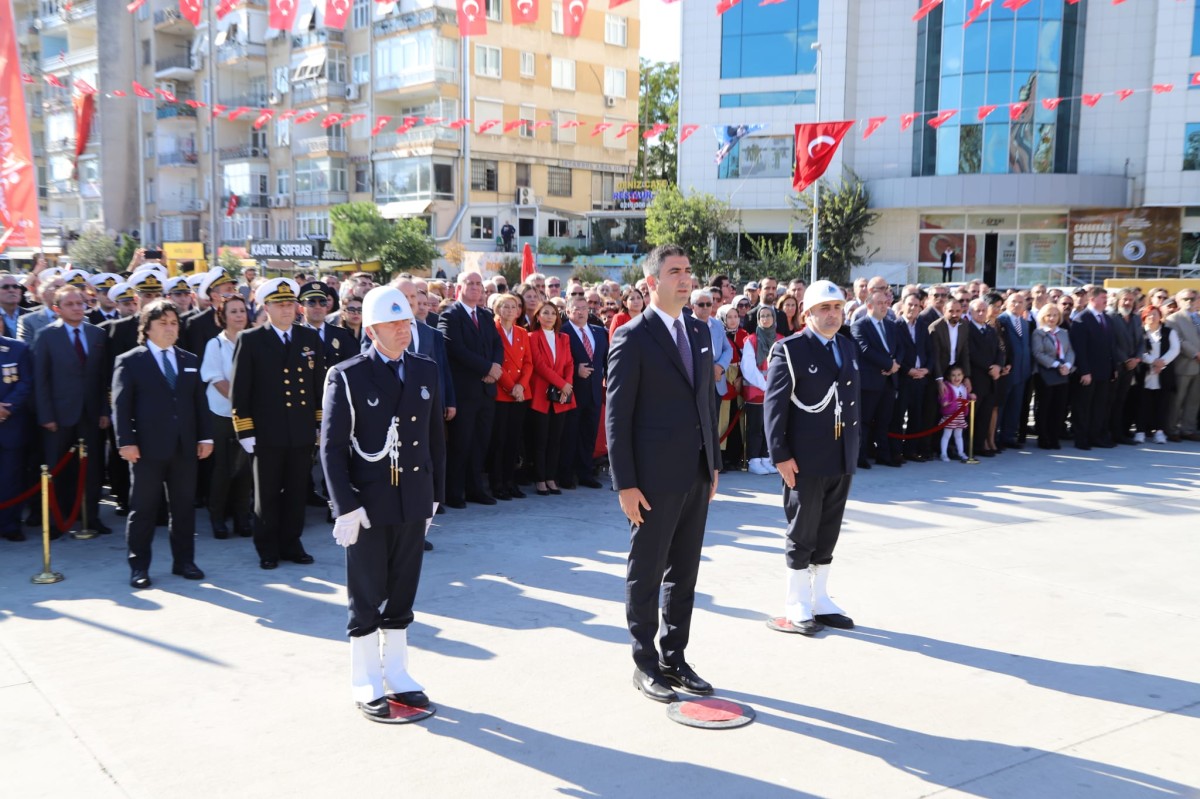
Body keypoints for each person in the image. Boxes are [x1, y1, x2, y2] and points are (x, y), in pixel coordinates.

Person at [319, 286, 443, 720]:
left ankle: (398, 672)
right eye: (392, 324)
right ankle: (366, 677)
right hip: (368, 504)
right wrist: (345, 506)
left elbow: (435, 438)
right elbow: (332, 448)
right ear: (371, 330)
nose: (403, 329)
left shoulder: (425, 369)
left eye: (406, 321)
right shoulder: (348, 375)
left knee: (403, 588)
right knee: (367, 592)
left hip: (413, 497)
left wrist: (434, 495)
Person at [606, 244, 720, 704]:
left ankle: (675, 657)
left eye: (688, 270)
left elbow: (706, 401)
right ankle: (645, 663)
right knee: (647, 572)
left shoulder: (699, 329)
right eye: (675, 272)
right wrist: (625, 483)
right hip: (651, 480)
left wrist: (713, 463)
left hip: (695, 471)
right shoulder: (632, 336)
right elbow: (617, 417)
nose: (685, 278)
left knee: (684, 572)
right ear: (652, 281)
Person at [763, 279, 860, 636]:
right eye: (824, 308)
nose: (833, 314)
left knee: (829, 529)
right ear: (807, 314)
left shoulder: (846, 346)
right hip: (804, 458)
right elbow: (774, 406)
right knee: (802, 530)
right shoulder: (790, 350)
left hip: (840, 453)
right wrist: (780, 454)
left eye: (837, 308)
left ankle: (820, 598)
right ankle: (797, 602)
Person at [112, 301, 213, 589]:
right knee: (143, 510)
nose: (170, 328)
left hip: (184, 447)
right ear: (147, 328)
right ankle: (139, 566)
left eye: (174, 323)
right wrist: (126, 442)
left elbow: (199, 402)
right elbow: (121, 406)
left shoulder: (189, 359)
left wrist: (205, 437)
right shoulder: (130, 360)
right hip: (146, 449)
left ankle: (184, 562)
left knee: (183, 508)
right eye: (162, 323)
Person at [231, 278, 324, 570]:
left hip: (300, 430)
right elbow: (240, 389)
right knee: (267, 493)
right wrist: (245, 430)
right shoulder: (251, 339)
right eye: (279, 304)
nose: (286, 309)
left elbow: (318, 385)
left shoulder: (308, 338)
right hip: (266, 432)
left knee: (296, 492)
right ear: (266, 308)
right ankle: (267, 547)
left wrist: (319, 423)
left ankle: (292, 543)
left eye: (289, 304)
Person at [33, 286, 112, 537]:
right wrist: (46, 415)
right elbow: (41, 379)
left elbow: (103, 378)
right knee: (57, 469)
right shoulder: (47, 336)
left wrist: (104, 410)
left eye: (80, 303)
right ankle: (57, 520)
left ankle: (91, 517)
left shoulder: (97, 334)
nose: (77, 308)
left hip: (91, 414)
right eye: (70, 304)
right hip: (59, 415)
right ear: (57, 309)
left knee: (92, 468)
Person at [438, 272, 503, 508]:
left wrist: (495, 367)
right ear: (459, 288)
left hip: (486, 391)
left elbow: (497, 344)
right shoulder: (450, 315)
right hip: (464, 392)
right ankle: (454, 492)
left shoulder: (485, 315)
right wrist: (487, 368)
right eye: (470, 283)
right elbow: (456, 350)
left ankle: (476, 489)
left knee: (480, 443)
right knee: (461, 444)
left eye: (478, 284)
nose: (476, 287)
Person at [201, 294, 255, 539]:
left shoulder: (252, 340)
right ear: (222, 316)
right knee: (223, 468)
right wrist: (241, 402)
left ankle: (242, 518)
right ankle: (218, 518)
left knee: (245, 468)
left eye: (242, 310)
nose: (239, 315)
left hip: (248, 414)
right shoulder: (216, 344)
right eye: (233, 311)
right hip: (222, 414)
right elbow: (216, 380)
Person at [560, 297, 608, 489]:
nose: (580, 312)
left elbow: (606, 360)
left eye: (584, 308)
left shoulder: (598, 332)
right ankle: (566, 474)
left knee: (589, 434)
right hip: (572, 391)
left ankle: (585, 473)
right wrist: (575, 371)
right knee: (570, 434)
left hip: (594, 391)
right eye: (576, 309)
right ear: (568, 312)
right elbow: (559, 361)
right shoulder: (563, 331)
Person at [488, 292, 532, 500]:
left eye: (513, 307)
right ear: (497, 309)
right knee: (499, 440)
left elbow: (528, 363)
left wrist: (521, 386)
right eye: (505, 306)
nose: (509, 310)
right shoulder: (492, 330)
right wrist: (511, 386)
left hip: (520, 394)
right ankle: (497, 483)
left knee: (514, 440)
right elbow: (496, 362)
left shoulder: (522, 332)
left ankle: (510, 481)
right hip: (501, 391)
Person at [528, 301, 575, 496]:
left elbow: (570, 363)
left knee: (556, 440)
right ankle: (540, 479)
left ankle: (551, 478)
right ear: (538, 317)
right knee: (540, 440)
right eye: (545, 313)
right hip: (541, 394)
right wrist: (562, 384)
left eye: (553, 313)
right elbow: (539, 365)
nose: (549, 317)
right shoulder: (532, 337)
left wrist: (567, 386)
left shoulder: (564, 338)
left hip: (561, 396)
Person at [851, 289, 902, 468]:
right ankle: (860, 456)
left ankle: (883, 455)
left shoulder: (891, 325)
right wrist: (888, 365)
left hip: (889, 381)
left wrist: (895, 364)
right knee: (865, 420)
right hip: (870, 381)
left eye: (886, 303)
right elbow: (865, 350)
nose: (884, 306)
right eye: (879, 303)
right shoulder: (860, 325)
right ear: (869, 305)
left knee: (884, 420)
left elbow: (900, 348)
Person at [1069, 287, 1117, 450]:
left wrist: (1113, 367)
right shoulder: (1081, 319)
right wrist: (1084, 371)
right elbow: (1079, 349)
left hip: (1104, 371)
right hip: (1088, 372)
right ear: (1092, 299)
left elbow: (1111, 346)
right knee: (1083, 406)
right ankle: (1081, 439)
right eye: (1103, 297)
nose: (1106, 301)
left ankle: (1095, 436)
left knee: (1099, 406)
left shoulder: (1107, 318)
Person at [741, 305, 782, 475]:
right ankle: (754, 460)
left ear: (774, 318)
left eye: (768, 315)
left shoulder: (780, 339)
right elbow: (748, 368)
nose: (765, 319)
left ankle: (766, 458)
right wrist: (767, 386)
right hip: (756, 393)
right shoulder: (751, 340)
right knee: (755, 428)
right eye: (762, 316)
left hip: (774, 393)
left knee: (769, 427)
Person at [0, 334, 33, 541]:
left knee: (10, 479)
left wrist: (6, 408)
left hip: (10, 424)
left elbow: (25, 382)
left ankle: (10, 524)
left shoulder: (18, 348)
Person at [893, 293, 932, 463]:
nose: (913, 308)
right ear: (902, 305)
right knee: (898, 417)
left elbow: (930, 351)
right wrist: (907, 370)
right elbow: (894, 353)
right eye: (910, 304)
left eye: (916, 305)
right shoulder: (895, 326)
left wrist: (927, 369)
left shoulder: (923, 326)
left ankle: (911, 451)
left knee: (916, 417)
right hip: (903, 379)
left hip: (920, 379)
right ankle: (896, 452)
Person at [1030, 304, 1074, 450]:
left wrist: (1067, 365)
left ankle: (1054, 438)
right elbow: (1038, 353)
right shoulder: (1038, 333)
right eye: (1049, 315)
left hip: (1063, 374)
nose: (1052, 318)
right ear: (1043, 317)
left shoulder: (1064, 332)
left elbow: (1070, 351)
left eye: (1055, 315)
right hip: (1045, 373)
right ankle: (1043, 438)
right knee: (1045, 407)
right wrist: (1056, 364)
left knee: (1059, 407)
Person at [1135, 305, 1179, 445]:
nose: (1152, 317)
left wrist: (1162, 362)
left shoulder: (1169, 332)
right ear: (1144, 318)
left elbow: (1175, 349)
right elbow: (1139, 351)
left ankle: (1159, 432)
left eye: (1155, 314)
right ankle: (1140, 431)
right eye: (1148, 315)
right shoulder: (1140, 332)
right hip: (1145, 372)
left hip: (1164, 373)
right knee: (1142, 403)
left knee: (1162, 403)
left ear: (1160, 316)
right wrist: (1153, 362)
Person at [1107, 288, 1142, 446]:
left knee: (1122, 400)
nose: (1127, 302)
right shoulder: (1111, 318)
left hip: (1131, 367)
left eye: (1130, 300)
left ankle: (1119, 433)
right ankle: (1108, 432)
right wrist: (1126, 359)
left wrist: (1137, 358)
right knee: (1111, 401)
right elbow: (1111, 343)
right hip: (1116, 365)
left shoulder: (1136, 318)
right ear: (1118, 301)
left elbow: (1141, 341)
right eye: (1125, 299)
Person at [1165, 289, 1200, 443]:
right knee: (1177, 399)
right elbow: (1178, 340)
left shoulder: (1198, 318)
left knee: (1194, 399)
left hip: (1198, 367)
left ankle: (1188, 429)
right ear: (1178, 301)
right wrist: (1195, 354)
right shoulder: (1173, 319)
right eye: (1185, 299)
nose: (1189, 302)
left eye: (1193, 298)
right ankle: (1171, 429)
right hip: (1184, 364)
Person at [997, 292, 1032, 449]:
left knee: (1015, 406)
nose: (1017, 305)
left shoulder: (1024, 323)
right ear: (1006, 303)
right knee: (1001, 405)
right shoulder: (1001, 320)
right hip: (1006, 371)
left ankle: (1009, 436)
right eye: (1013, 301)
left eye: (1020, 302)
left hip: (1022, 372)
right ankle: (996, 437)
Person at [716, 302, 745, 470]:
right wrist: (730, 378)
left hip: (740, 384)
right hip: (724, 382)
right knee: (723, 421)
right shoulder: (718, 336)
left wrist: (742, 378)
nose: (733, 320)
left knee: (737, 420)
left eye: (736, 316)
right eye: (729, 317)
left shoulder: (744, 335)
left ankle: (735, 457)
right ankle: (721, 459)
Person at [938, 366, 972, 463]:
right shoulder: (947, 386)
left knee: (959, 435)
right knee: (947, 435)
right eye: (953, 375)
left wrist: (971, 397)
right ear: (949, 377)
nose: (956, 378)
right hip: (950, 415)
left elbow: (966, 397)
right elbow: (943, 396)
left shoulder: (963, 387)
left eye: (959, 375)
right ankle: (943, 453)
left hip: (960, 416)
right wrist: (944, 402)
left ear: (963, 376)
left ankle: (961, 452)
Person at [0, 272, 29, 337]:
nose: (12, 290)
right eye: (5, 287)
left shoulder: (31, 316)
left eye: (15, 286)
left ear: (20, 291)